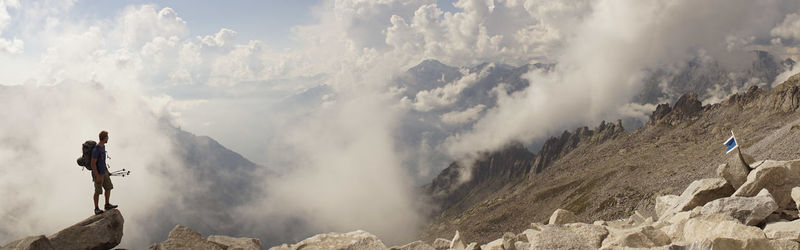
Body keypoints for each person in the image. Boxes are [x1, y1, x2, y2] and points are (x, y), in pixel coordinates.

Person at [91, 130, 118, 215]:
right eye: (107, 137)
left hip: (104, 172)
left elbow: (102, 161)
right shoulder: (96, 149)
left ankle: (107, 204)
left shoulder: (103, 147)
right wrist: (97, 175)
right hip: (98, 174)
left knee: (108, 187)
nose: (108, 139)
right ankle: (96, 209)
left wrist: (107, 171)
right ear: (105, 138)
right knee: (98, 191)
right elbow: (93, 163)